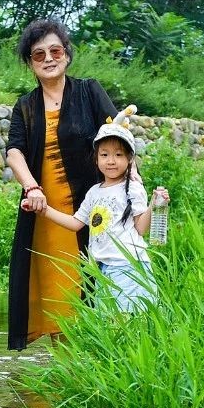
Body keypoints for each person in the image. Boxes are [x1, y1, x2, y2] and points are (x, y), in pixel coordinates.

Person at [6, 18, 117, 350]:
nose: (49, 58)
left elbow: (117, 135)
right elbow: (14, 151)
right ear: (30, 63)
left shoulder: (89, 91)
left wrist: (133, 178)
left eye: (55, 50)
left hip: (96, 206)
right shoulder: (25, 106)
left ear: (67, 54)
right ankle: (66, 371)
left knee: (102, 280)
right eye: (38, 55)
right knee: (57, 284)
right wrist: (32, 188)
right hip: (46, 210)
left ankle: (103, 363)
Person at [22, 108, 168, 313]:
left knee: (127, 322)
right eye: (104, 154)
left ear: (129, 159)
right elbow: (76, 223)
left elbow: (141, 229)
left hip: (129, 265)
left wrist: (154, 204)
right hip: (103, 269)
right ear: (96, 159)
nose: (111, 160)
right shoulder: (94, 192)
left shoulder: (133, 188)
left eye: (118, 155)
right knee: (111, 322)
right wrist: (43, 210)